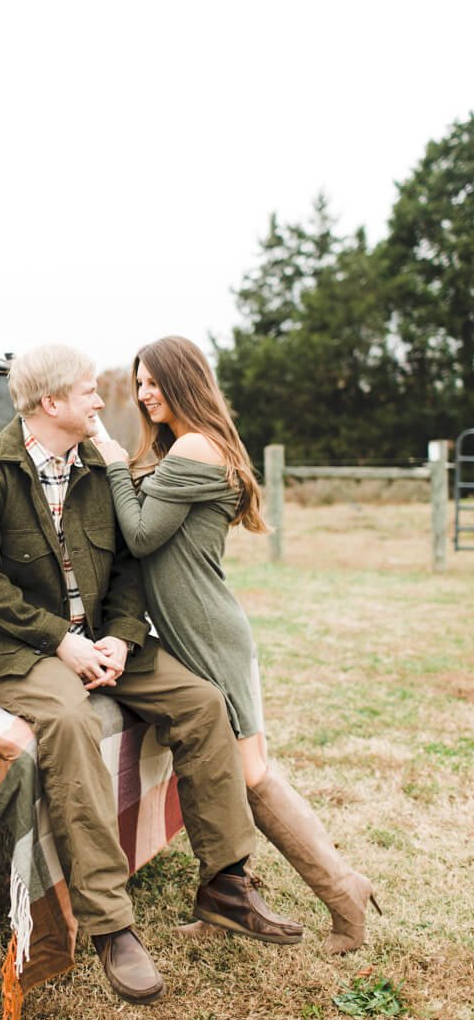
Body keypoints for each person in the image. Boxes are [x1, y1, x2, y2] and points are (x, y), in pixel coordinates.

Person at [0, 343, 303, 1008]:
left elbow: (131, 569)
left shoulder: (98, 469)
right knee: (72, 722)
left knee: (201, 701)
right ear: (51, 403)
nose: (101, 400)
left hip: (103, 641)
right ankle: (111, 925)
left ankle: (227, 882)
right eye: (86, 391)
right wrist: (61, 643)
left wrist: (118, 635)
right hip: (14, 649)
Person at [96, 335, 380, 954]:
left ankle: (344, 894)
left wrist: (115, 464)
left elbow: (142, 536)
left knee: (251, 775)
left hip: (210, 637)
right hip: (196, 631)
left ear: (184, 379)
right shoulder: (192, 447)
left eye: (153, 382)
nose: (144, 394)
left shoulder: (197, 446)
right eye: (138, 383)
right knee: (225, 767)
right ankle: (223, 893)